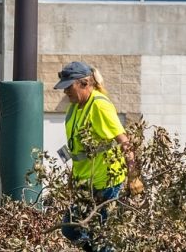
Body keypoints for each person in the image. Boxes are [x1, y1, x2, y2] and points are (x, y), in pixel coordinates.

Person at [56, 60, 143, 252]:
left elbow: (125, 142)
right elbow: (76, 148)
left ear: (84, 83)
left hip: (106, 182)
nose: (65, 92)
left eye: (69, 87)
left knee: (99, 237)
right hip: (85, 184)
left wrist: (133, 176)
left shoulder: (100, 106)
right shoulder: (74, 108)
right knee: (70, 229)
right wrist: (73, 176)